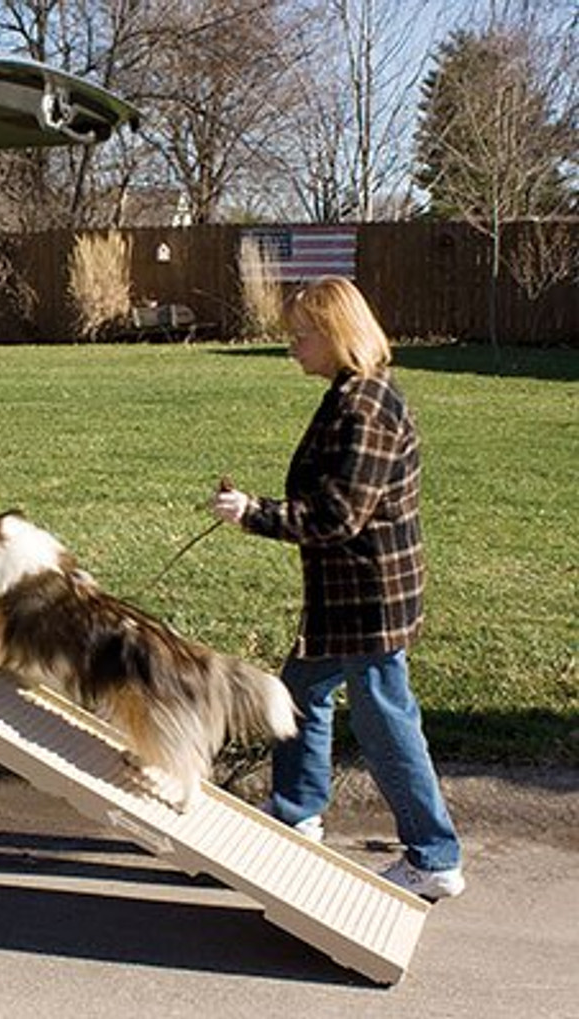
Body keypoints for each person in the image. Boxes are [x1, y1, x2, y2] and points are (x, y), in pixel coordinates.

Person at [210, 275, 465, 900]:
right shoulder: (349, 392)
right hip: (344, 597)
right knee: (297, 695)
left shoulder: (366, 406)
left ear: (335, 335)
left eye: (301, 336)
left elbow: (337, 515)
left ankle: (434, 856)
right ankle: (296, 814)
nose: (292, 347)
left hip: (368, 601)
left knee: (384, 723)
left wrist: (253, 513)